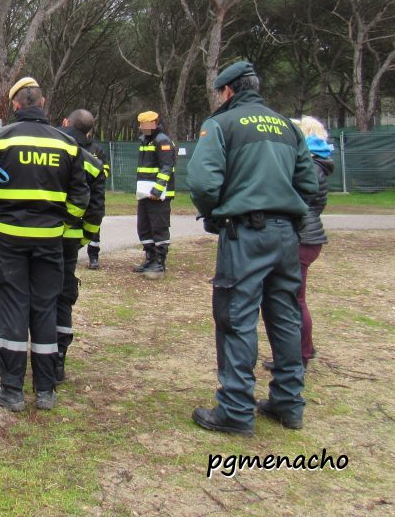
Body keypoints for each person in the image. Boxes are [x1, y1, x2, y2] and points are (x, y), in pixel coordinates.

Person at [188, 60, 317, 435]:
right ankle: (289, 403)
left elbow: (201, 182)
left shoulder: (221, 124)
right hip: (286, 234)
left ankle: (235, 409)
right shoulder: (287, 127)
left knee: (235, 318)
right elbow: (308, 181)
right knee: (285, 317)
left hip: (244, 234)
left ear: (228, 91)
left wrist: (214, 213)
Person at [0, 77, 88, 411]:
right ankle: (46, 390)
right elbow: (81, 194)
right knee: (45, 308)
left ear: (15, 105)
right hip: (50, 240)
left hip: (6, 240)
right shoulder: (66, 143)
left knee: (12, 309)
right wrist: (63, 225)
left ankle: (12, 389)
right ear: (43, 102)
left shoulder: (0, 138)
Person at [263, 116, 332, 371]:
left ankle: (298, 357)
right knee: (295, 296)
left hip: (301, 238)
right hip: (307, 236)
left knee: (293, 299)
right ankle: (304, 348)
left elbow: (297, 202)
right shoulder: (315, 164)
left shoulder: (308, 166)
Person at [55, 109, 106, 383]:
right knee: (63, 297)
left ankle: (5, 354)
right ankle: (58, 360)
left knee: (24, 293)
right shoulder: (92, 163)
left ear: (65, 122)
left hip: (38, 236)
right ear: (88, 133)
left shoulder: (50, 147)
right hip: (69, 240)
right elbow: (96, 210)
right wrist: (82, 239)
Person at [133, 111, 177, 278]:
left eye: (145, 124)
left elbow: (167, 167)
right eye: (141, 124)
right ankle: (150, 258)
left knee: (159, 227)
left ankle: (159, 262)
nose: (142, 127)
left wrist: (157, 190)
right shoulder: (145, 141)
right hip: (144, 193)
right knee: (144, 227)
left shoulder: (163, 141)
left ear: (154, 123)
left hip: (158, 194)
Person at [86, 139, 110, 270]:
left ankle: (93, 257)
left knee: (94, 226)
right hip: (76, 192)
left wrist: (96, 179)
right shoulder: (71, 144)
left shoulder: (97, 149)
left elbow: (105, 168)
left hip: (92, 193)